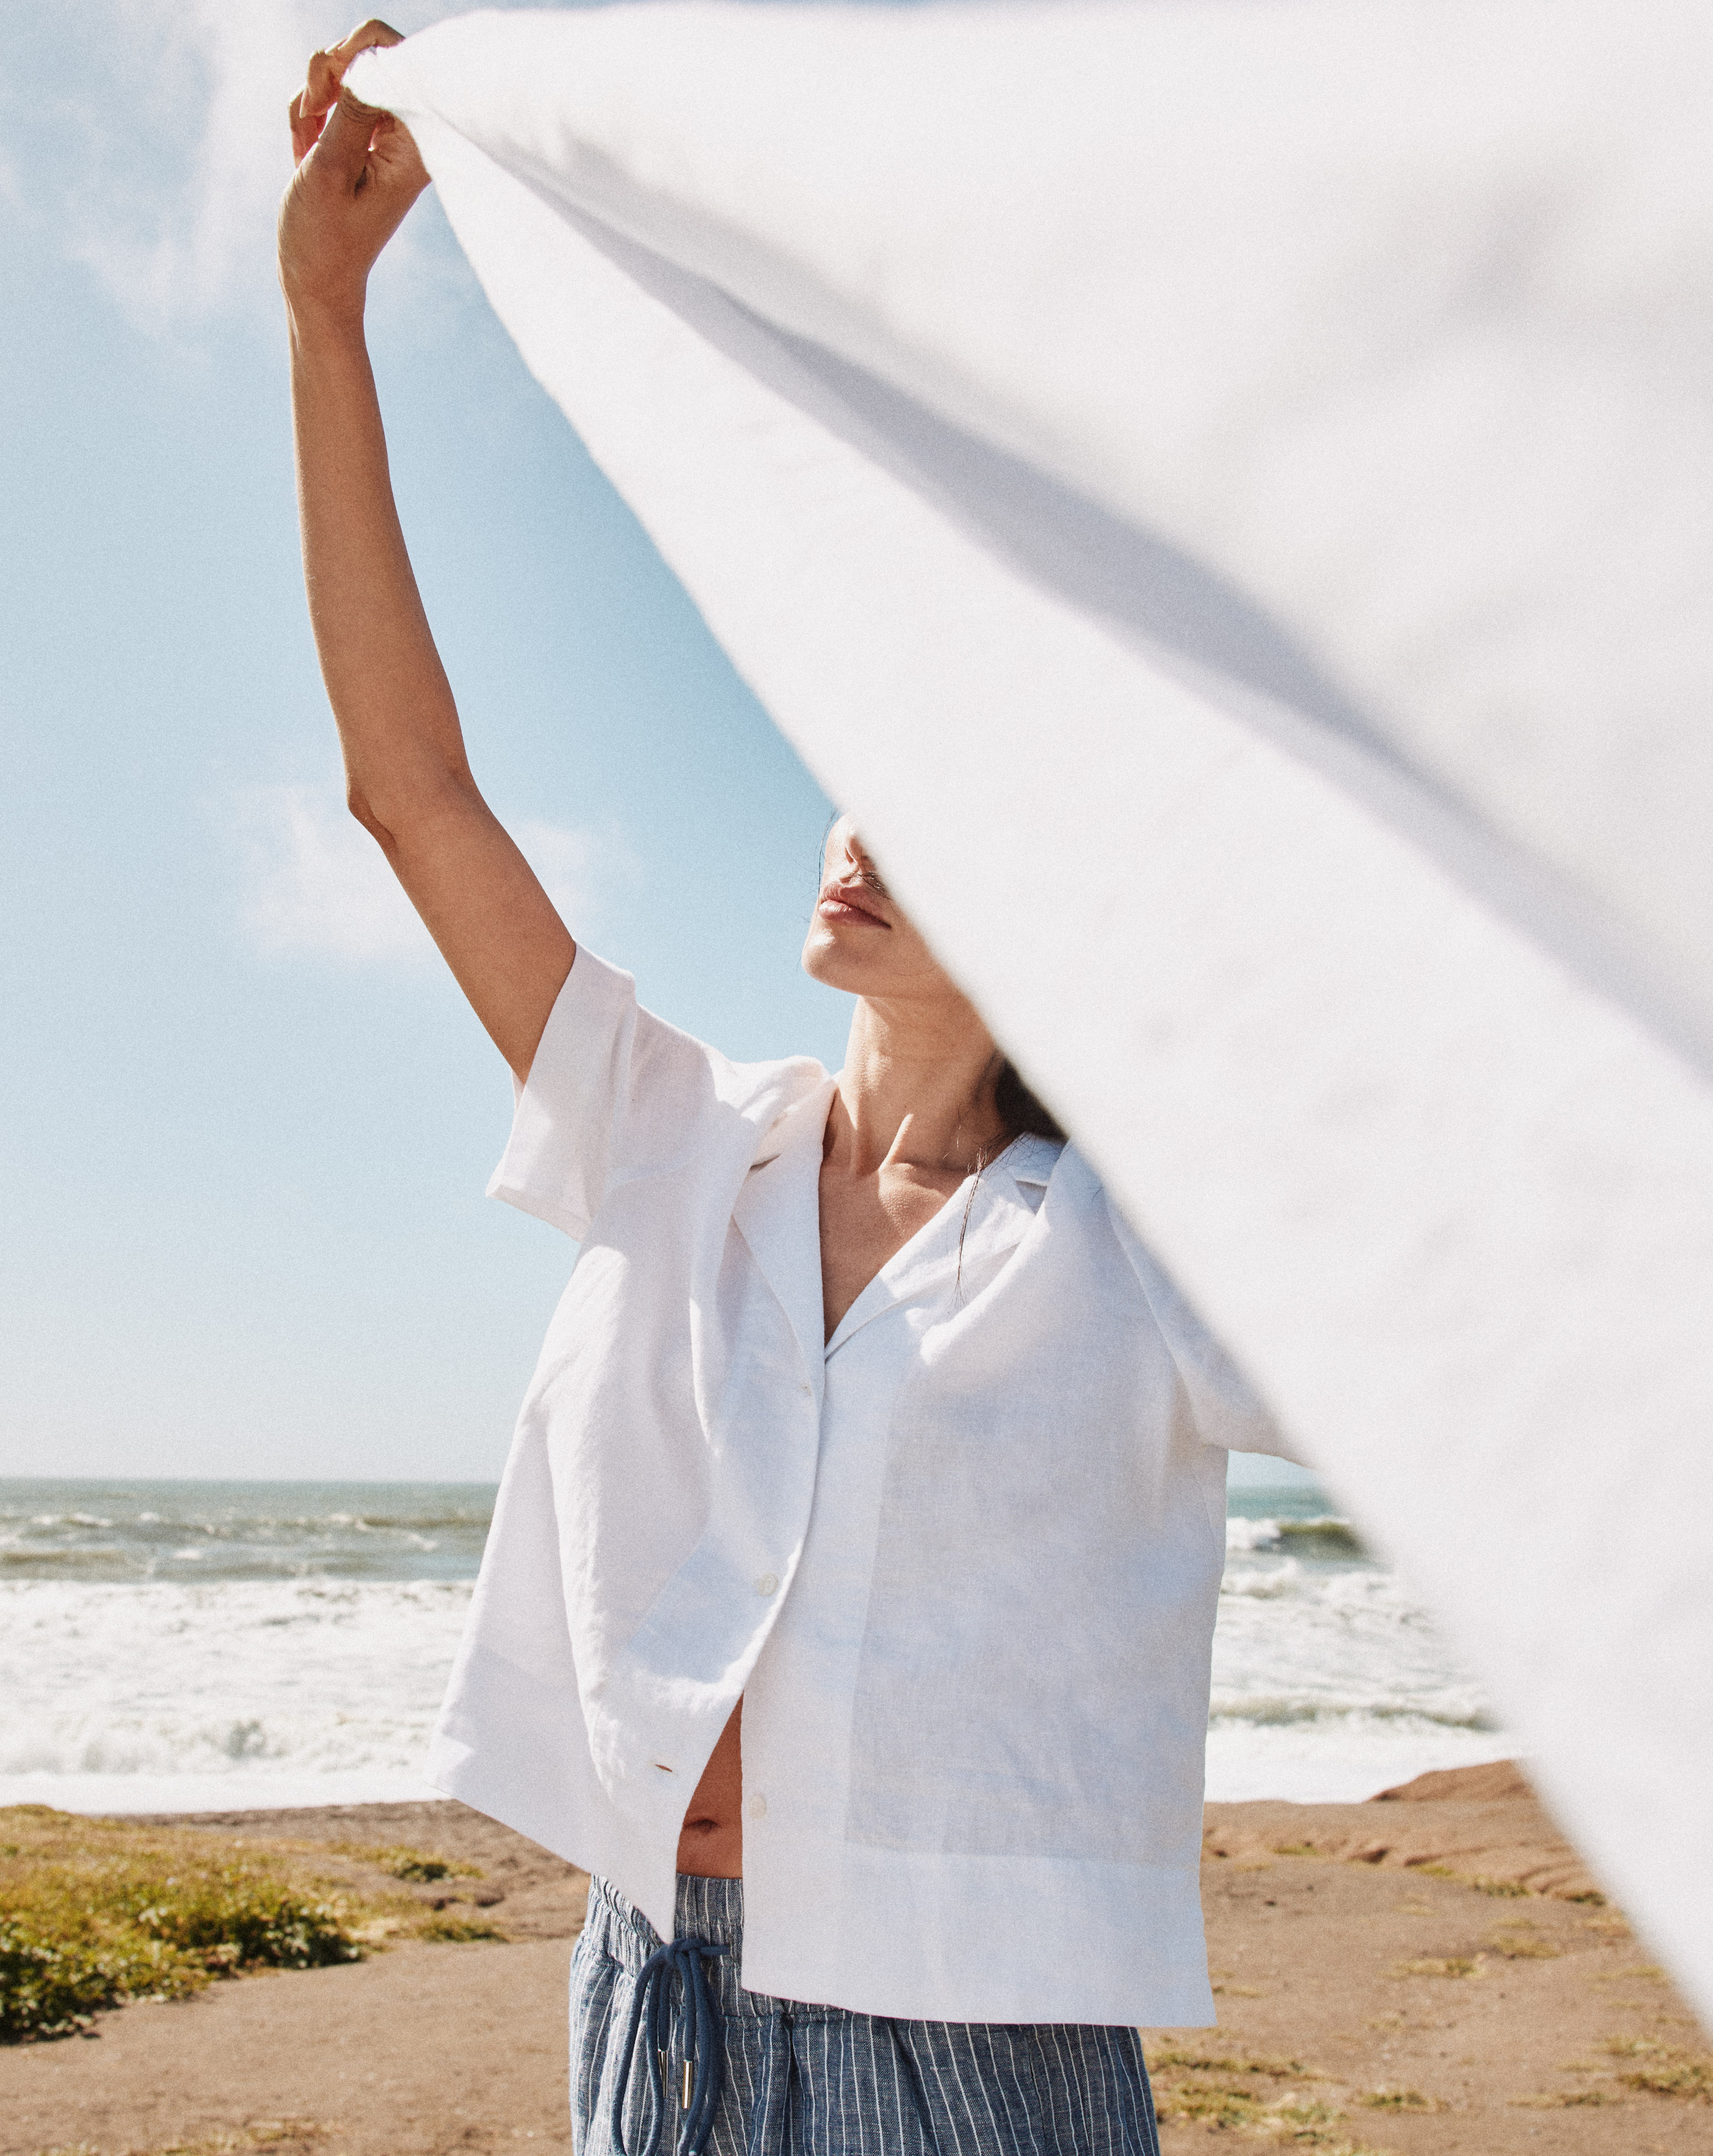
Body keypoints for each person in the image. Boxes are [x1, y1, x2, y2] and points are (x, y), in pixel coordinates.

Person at [279, 24, 1300, 2154]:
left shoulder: (1150, 1250)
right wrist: (327, 318)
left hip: (975, 2036)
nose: (864, 827)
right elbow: (409, 795)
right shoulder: (678, 1134)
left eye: (947, 814)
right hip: (652, 1989)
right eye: (867, 776)